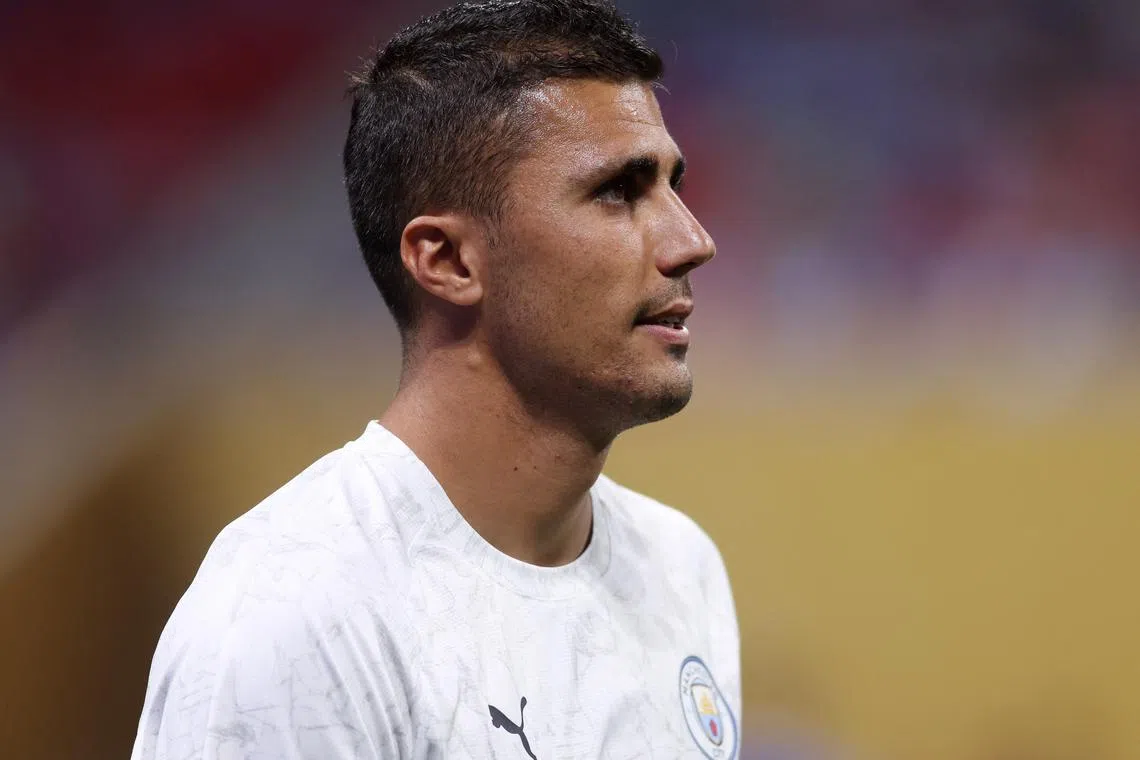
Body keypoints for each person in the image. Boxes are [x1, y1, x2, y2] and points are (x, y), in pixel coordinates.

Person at [131, 1, 739, 757]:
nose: (693, 241)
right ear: (448, 261)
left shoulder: (681, 571)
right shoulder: (293, 614)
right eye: (619, 191)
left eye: (674, 185)